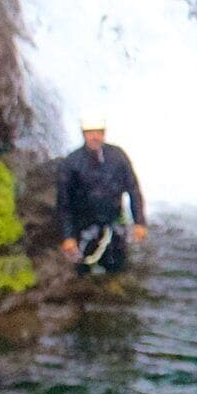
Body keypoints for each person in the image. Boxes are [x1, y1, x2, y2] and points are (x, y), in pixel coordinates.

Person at [55, 114, 146, 275]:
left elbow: (133, 189)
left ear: (104, 133)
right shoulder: (72, 162)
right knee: (82, 269)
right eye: (90, 133)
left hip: (114, 221)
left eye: (98, 132)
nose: (94, 137)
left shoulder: (117, 157)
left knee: (118, 266)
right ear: (83, 134)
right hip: (84, 225)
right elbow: (64, 203)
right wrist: (67, 236)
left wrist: (139, 222)